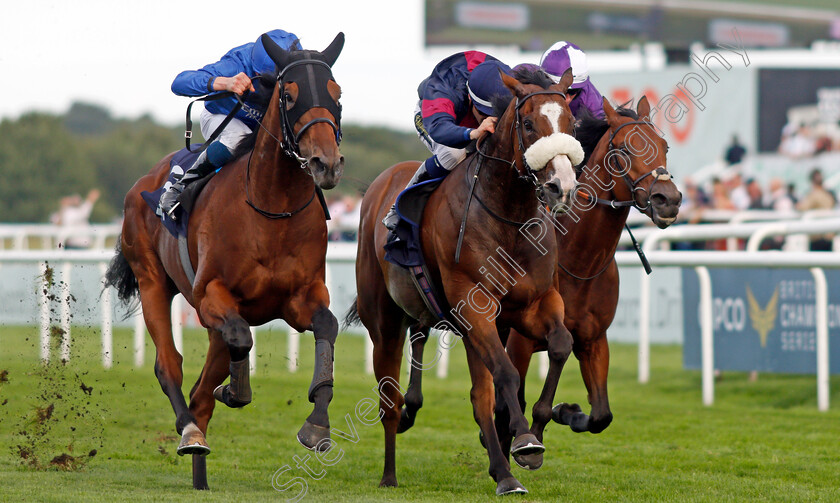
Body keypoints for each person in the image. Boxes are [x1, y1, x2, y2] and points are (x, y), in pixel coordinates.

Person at [159, 29, 302, 218]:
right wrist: (224, 83)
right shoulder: (235, 63)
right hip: (222, 117)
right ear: (256, 68)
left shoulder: (301, 70)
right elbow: (179, 83)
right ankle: (179, 189)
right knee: (238, 138)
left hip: (265, 128)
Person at [381, 52, 513, 230]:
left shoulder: (507, 78)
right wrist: (473, 133)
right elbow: (439, 128)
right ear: (470, 99)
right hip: (433, 118)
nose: (489, 119)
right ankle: (397, 208)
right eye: (484, 114)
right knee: (453, 154)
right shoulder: (443, 92)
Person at [538, 41, 604, 119]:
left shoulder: (592, 105)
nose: (567, 99)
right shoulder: (529, 87)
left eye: (573, 92)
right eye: (563, 91)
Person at [797, 168, 837, 251]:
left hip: (817, 235)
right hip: (829, 234)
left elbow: (802, 207)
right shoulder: (828, 195)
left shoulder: (814, 195)